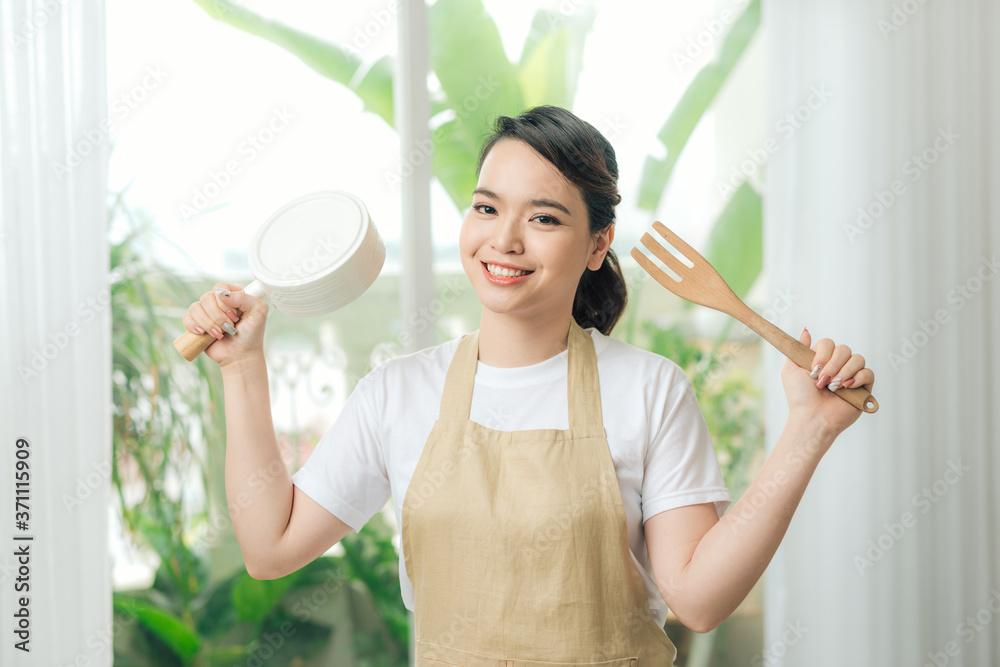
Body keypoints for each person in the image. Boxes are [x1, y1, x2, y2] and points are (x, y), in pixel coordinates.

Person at [182, 105, 876, 664]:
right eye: (487, 208)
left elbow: (695, 598)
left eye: (544, 217)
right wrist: (243, 369)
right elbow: (270, 546)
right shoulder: (398, 392)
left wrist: (807, 431)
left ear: (598, 245)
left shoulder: (648, 389)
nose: (504, 239)